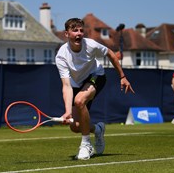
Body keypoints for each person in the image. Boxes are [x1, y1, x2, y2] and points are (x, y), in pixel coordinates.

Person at [55, 18, 135, 160]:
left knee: (80, 101)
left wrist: (122, 76)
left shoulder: (91, 45)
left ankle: (86, 144)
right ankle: (98, 130)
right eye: (75, 30)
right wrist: (67, 111)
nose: (79, 33)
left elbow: (111, 53)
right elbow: (66, 86)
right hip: (76, 84)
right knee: (75, 126)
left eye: (81, 30)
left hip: (96, 75)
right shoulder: (61, 55)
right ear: (66, 34)